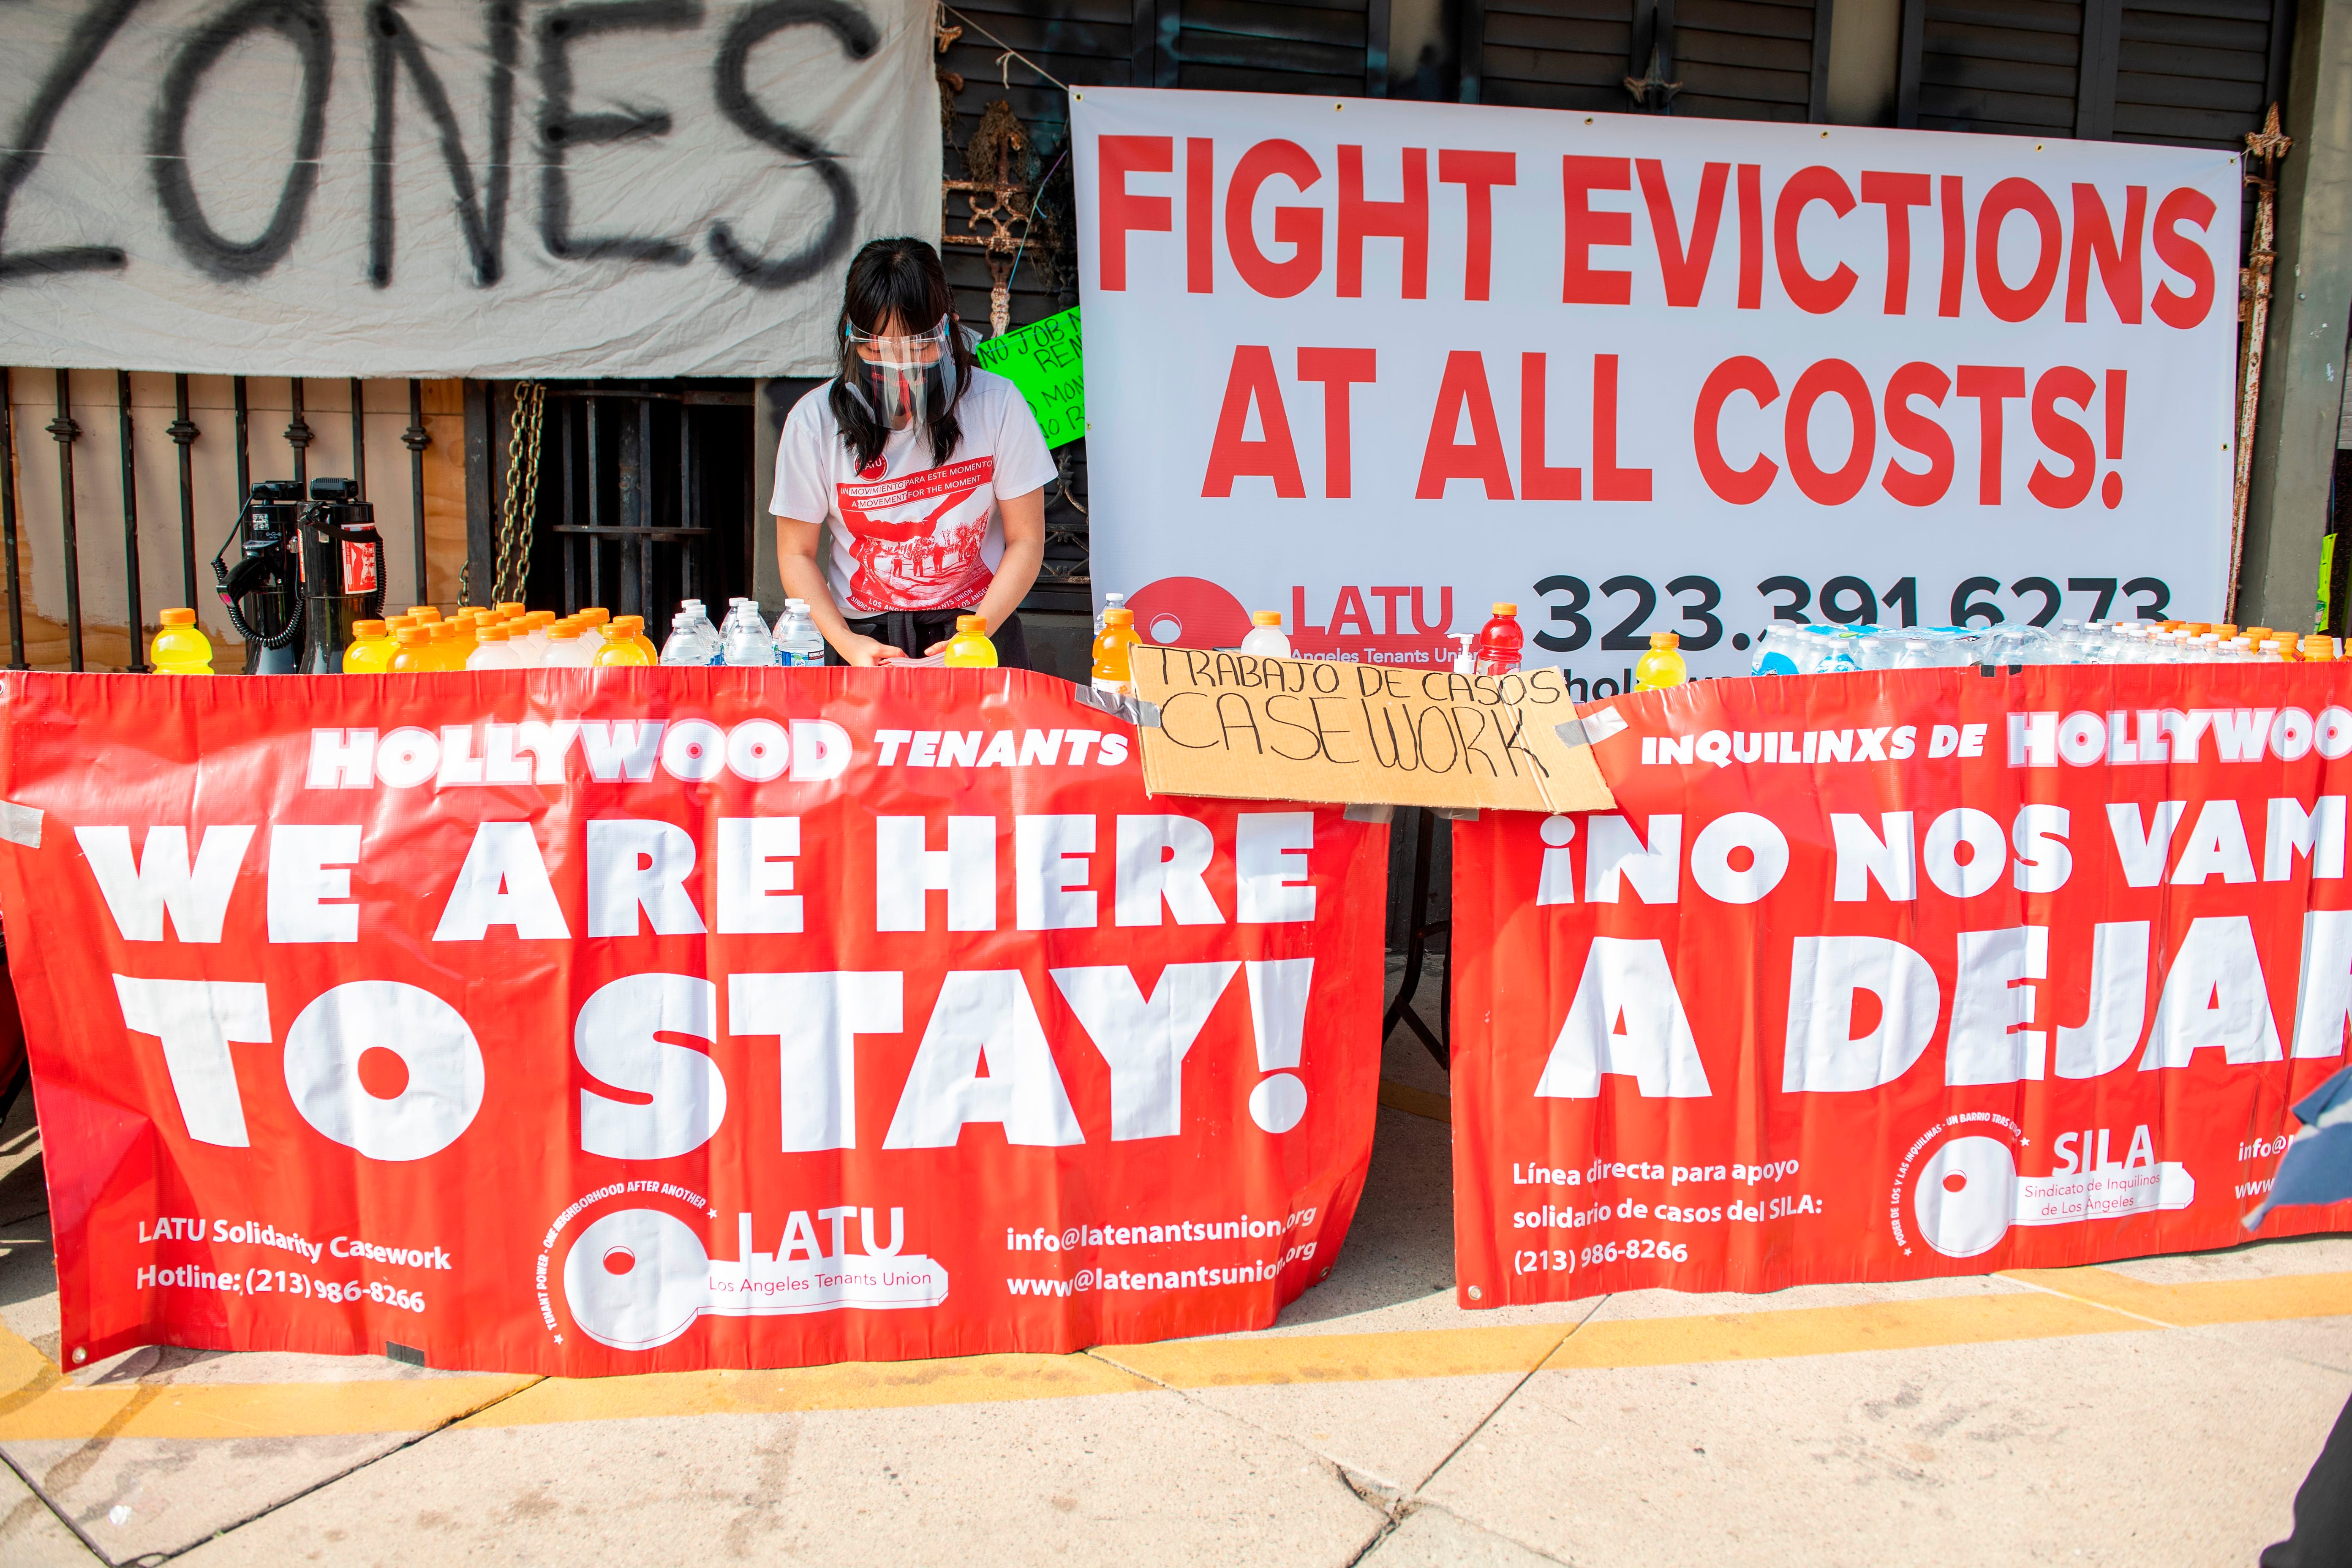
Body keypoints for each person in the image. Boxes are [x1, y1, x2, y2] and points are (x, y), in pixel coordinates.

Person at [771, 236, 1056, 667]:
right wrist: (847, 643)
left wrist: (975, 635)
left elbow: (1027, 539)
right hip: (863, 635)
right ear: (851, 336)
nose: (899, 369)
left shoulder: (997, 404)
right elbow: (795, 553)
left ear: (949, 329)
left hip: (977, 628)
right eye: (878, 350)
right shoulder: (813, 422)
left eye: (919, 348)